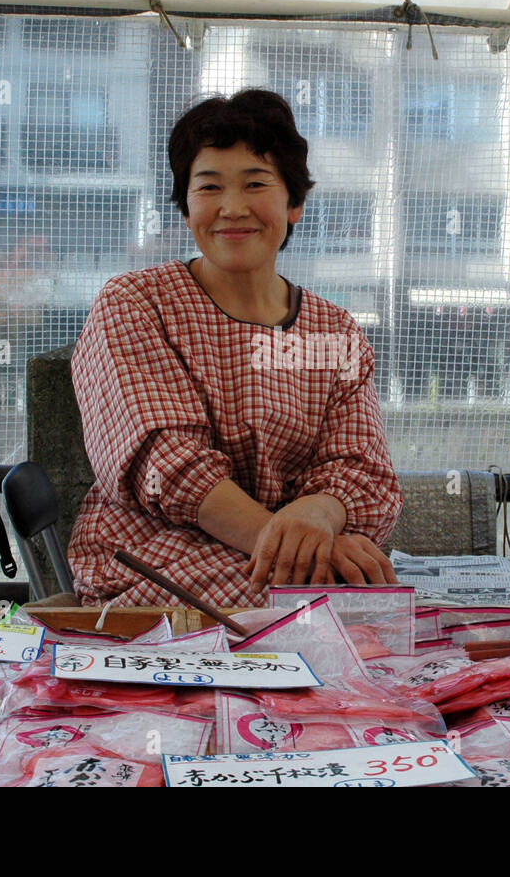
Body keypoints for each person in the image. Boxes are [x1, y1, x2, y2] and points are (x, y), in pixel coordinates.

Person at [67, 89, 403, 607]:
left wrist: (319, 516)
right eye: (208, 187)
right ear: (185, 208)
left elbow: (361, 470)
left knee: (378, 611)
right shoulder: (135, 303)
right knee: (337, 610)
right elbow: (168, 463)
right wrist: (300, 553)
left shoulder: (335, 330)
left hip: (307, 561)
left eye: (255, 183)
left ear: (294, 203)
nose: (231, 207)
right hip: (154, 562)